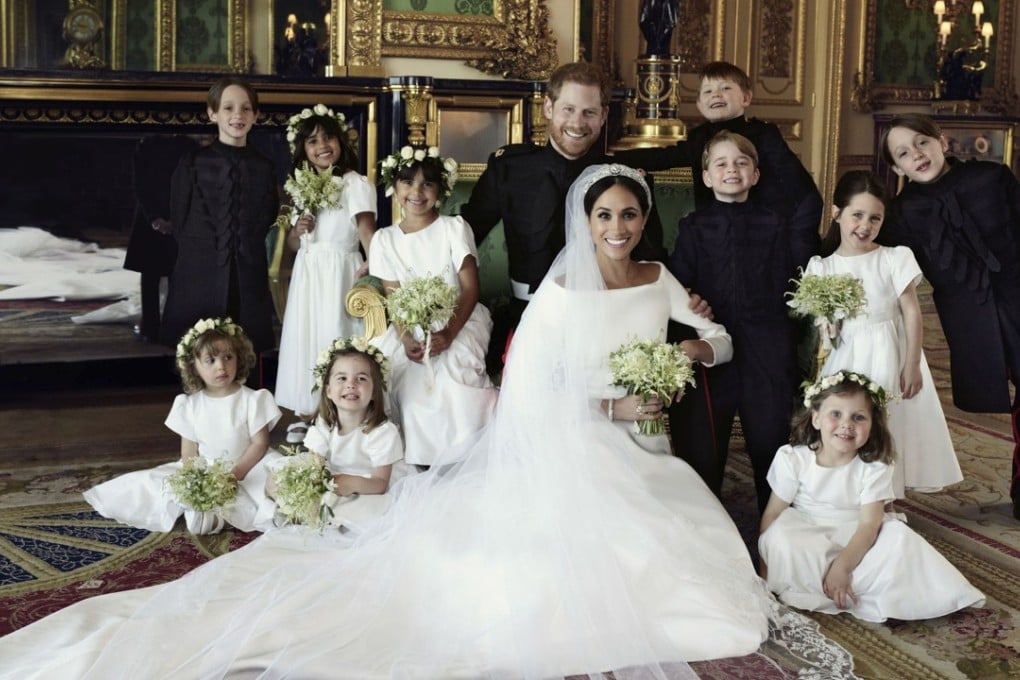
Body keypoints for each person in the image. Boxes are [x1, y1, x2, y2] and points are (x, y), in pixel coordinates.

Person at [0, 165, 864, 679]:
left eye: (629, 215)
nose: (617, 227)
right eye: (603, 216)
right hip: (581, 435)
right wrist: (609, 401)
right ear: (585, 222)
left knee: (693, 548)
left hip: (647, 432)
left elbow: (711, 334)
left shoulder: (660, 277)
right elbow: (534, 380)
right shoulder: (563, 292)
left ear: (646, 221)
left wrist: (684, 362)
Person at [460, 61, 667, 370]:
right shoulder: (509, 168)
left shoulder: (624, 178)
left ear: (603, 116)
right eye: (568, 109)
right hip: (528, 315)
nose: (578, 123)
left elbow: (652, 256)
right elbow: (464, 233)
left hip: (605, 318)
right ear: (548, 107)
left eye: (589, 112)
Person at [878, 113, 1020, 520]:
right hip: (969, 319)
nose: (917, 155)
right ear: (896, 168)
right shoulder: (902, 213)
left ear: (941, 141)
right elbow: (878, 260)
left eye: (922, 143)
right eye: (903, 153)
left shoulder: (992, 177)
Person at [668, 131, 819, 512]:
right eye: (720, 163)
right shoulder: (694, 227)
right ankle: (705, 522)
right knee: (703, 444)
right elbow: (678, 284)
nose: (731, 170)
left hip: (767, 345)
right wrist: (691, 300)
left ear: (755, 174)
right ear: (706, 177)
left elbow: (794, 278)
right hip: (712, 347)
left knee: (769, 438)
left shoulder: (777, 224)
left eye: (741, 163)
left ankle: (775, 525)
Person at [758, 371, 984, 622]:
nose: (847, 424)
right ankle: (818, 585)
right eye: (836, 414)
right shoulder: (793, 458)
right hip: (808, 534)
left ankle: (845, 582)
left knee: (899, 538)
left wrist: (843, 566)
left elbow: (869, 524)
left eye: (858, 417)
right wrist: (765, 571)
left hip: (858, 536)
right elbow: (773, 514)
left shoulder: (874, 466)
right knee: (780, 536)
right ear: (816, 419)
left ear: (872, 425)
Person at [806, 170, 961, 497]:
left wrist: (912, 364)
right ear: (837, 213)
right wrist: (827, 325)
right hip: (848, 354)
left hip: (892, 350)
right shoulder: (822, 266)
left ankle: (886, 500)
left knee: (890, 421)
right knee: (850, 422)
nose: (865, 225)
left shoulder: (894, 257)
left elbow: (911, 312)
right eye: (857, 215)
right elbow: (823, 322)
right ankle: (852, 494)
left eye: (874, 218)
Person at [83, 318, 282, 534]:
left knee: (271, 485)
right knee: (156, 484)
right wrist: (198, 479)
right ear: (193, 366)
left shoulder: (253, 400)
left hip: (248, 466)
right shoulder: (189, 405)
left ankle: (233, 515)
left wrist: (237, 473)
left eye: (228, 357)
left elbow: (259, 443)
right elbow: (189, 451)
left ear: (239, 358)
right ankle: (207, 514)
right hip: (208, 469)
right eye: (210, 360)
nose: (221, 366)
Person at [370, 146, 497, 466]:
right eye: (407, 182)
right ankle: (418, 456)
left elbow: (469, 288)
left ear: (440, 190)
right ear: (394, 187)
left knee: (454, 376)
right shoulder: (384, 239)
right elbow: (395, 298)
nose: (416, 191)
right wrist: (405, 337)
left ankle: (466, 454)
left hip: (458, 318)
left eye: (427, 184)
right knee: (409, 378)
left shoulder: (454, 228)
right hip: (409, 323)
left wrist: (450, 333)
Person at [614, 60, 822, 236]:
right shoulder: (699, 138)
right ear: (699, 104)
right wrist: (613, 158)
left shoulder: (764, 134)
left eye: (725, 88)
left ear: (746, 98)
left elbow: (799, 185)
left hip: (763, 227)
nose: (716, 95)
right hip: (714, 229)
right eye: (708, 91)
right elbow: (664, 158)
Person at [274, 103, 377, 443]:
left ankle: (335, 414)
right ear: (302, 150)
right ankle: (306, 411)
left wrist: (373, 265)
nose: (322, 146)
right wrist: (297, 229)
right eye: (313, 141)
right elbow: (293, 244)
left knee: (334, 335)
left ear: (342, 142)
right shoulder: (302, 187)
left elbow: (366, 231)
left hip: (339, 272)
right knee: (307, 338)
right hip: (309, 273)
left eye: (329, 138)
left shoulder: (354, 183)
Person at [158, 77, 280, 355]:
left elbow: (266, 217)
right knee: (197, 353)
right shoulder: (192, 163)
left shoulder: (264, 167)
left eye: (246, 108)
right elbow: (179, 217)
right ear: (213, 113)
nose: (238, 115)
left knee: (246, 351)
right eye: (228, 108)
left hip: (247, 274)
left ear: (255, 115)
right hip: (198, 273)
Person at [268, 337, 414, 531]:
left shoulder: (382, 432)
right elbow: (315, 464)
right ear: (328, 390)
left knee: (361, 509)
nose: (351, 384)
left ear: (373, 392)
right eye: (342, 378)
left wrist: (347, 483)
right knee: (274, 479)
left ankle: (318, 516)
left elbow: (380, 484)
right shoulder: (324, 424)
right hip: (332, 477)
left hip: (366, 485)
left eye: (361, 378)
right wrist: (309, 486)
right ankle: (301, 508)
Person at [122, 134, 197, 342]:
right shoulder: (149, 144)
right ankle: (153, 327)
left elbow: (191, 183)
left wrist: (173, 218)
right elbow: (141, 184)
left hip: (175, 217)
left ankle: (170, 327)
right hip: (154, 217)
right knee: (152, 275)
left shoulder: (186, 145)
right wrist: (154, 217)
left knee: (175, 276)